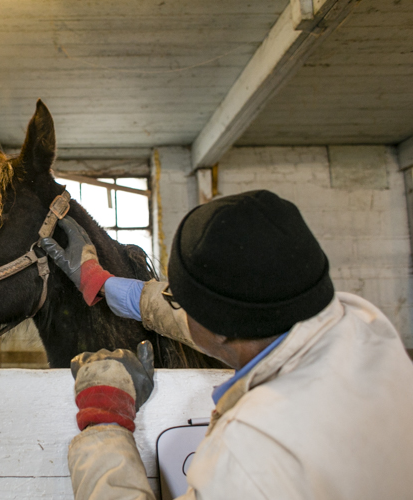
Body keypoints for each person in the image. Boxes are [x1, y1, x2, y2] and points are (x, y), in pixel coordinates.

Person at [39, 190, 413, 500]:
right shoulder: (364, 322)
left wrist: (104, 419)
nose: (179, 303)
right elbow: (231, 314)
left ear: (220, 328)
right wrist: (106, 285)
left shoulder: (250, 454)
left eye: (184, 297)